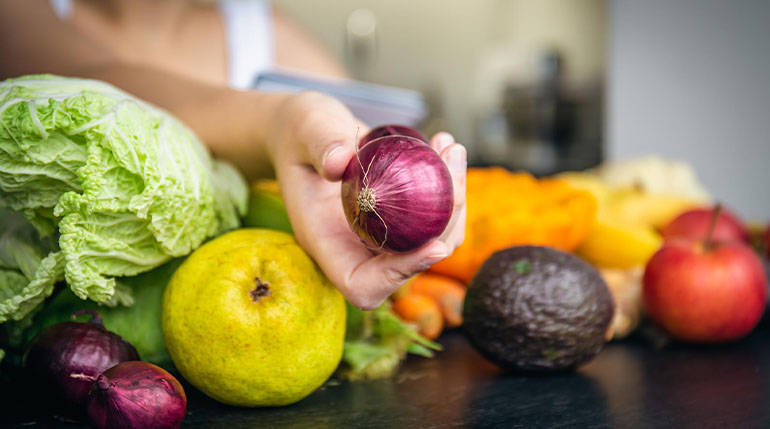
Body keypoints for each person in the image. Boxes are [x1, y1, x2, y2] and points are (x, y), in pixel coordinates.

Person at [0, 0, 467, 310]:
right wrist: (279, 121)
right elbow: (88, 77)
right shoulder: (21, 14)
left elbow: (366, 141)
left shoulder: (272, 35)